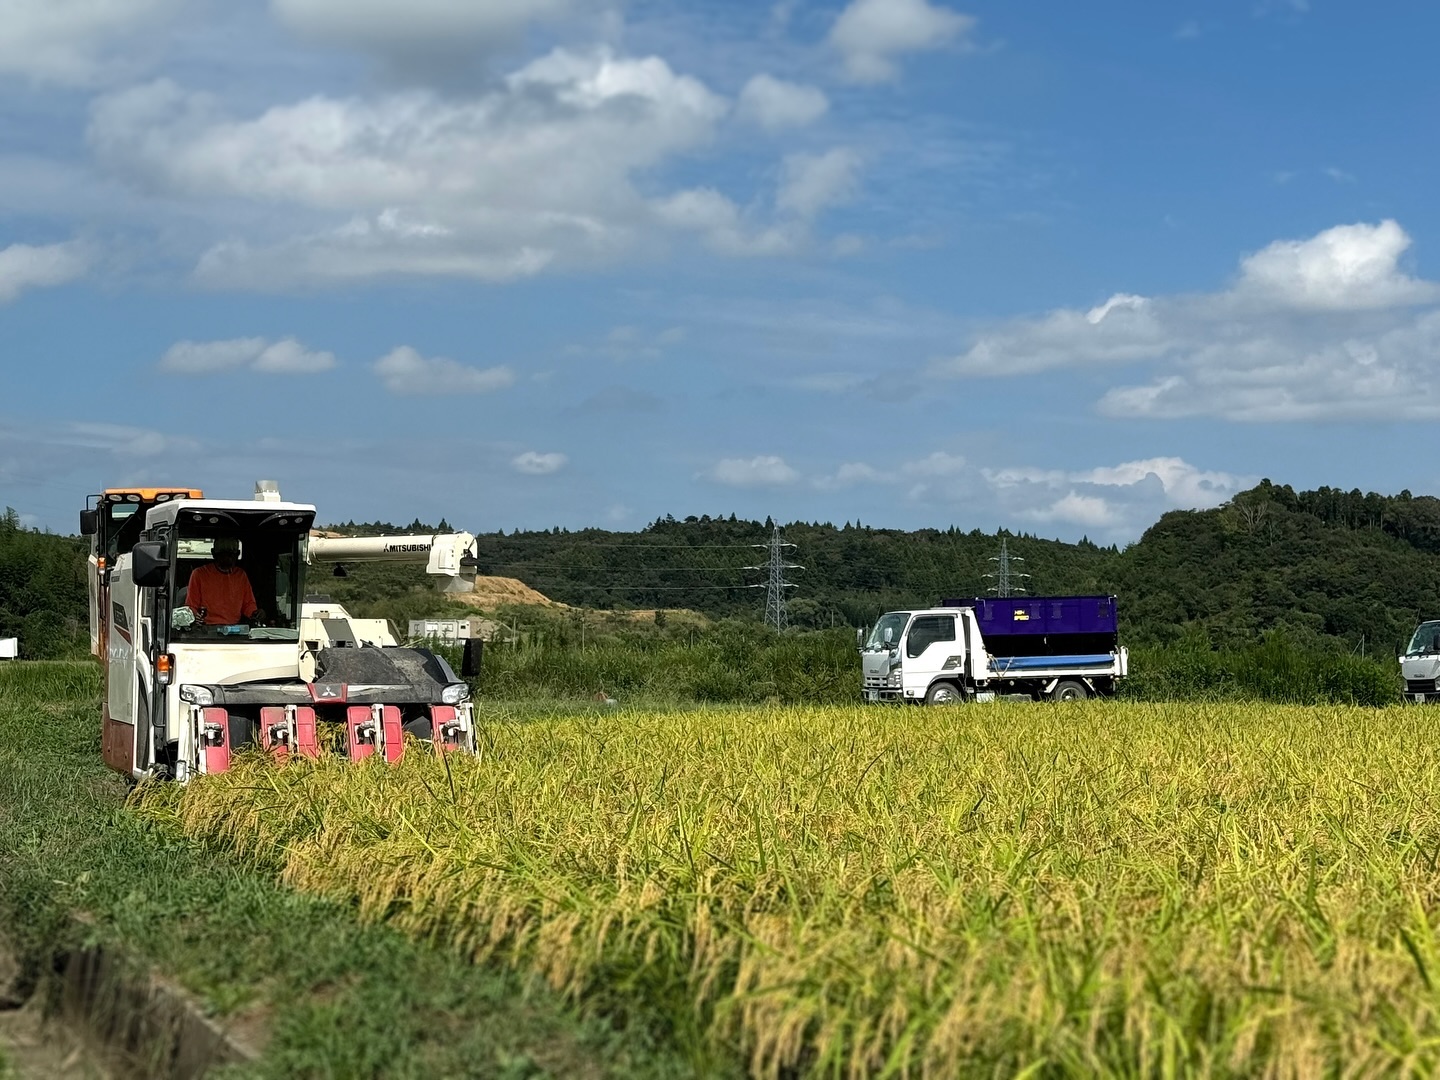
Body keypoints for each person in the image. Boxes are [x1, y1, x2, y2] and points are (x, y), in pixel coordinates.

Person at [186, 537, 265, 626]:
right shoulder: (199, 574)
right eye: (222, 555)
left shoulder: (241, 575)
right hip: (206, 629)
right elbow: (191, 606)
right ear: (213, 554)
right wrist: (195, 618)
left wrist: (255, 613)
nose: (227, 559)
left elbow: (248, 604)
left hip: (234, 630)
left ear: (238, 554)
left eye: (230, 555)